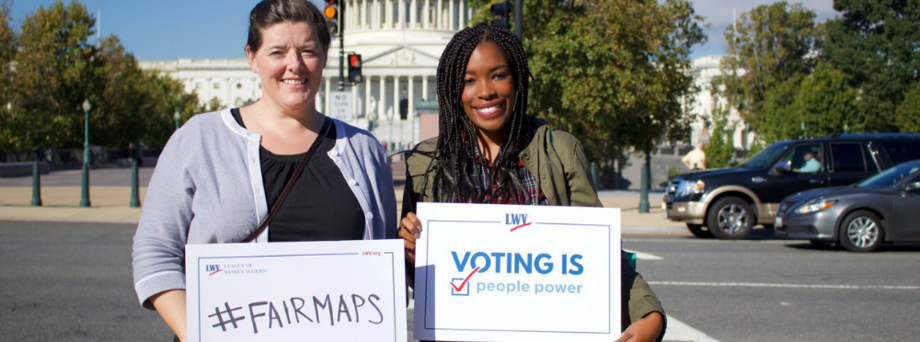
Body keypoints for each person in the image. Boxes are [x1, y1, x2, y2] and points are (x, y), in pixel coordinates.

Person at [131, 1, 396, 340]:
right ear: (251, 58)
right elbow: (155, 251)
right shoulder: (199, 139)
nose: (294, 65)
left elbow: (381, 258)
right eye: (277, 52)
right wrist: (198, 335)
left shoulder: (364, 149)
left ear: (325, 57)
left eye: (307, 51)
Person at [397, 24, 665, 342]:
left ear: (518, 79)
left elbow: (599, 255)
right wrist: (410, 252)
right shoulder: (427, 165)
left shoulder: (558, 151)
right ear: (451, 87)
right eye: (469, 80)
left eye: (498, 75)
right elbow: (417, 283)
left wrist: (649, 317)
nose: (485, 91)